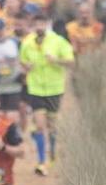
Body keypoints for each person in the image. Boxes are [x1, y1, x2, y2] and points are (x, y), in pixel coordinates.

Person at [18, 21, 73, 175]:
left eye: (42, 24)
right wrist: (26, 66)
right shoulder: (27, 42)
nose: (39, 27)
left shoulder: (58, 41)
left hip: (54, 89)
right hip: (35, 88)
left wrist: (55, 60)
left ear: (47, 25)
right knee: (40, 126)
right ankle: (41, 161)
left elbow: (70, 62)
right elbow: (22, 60)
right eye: (36, 24)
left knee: (53, 126)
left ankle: (53, 155)